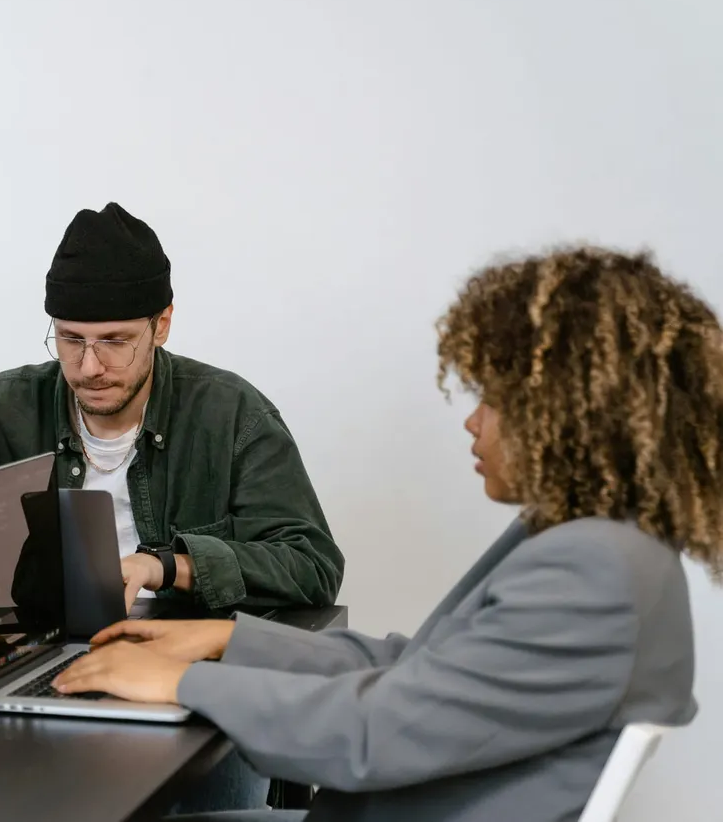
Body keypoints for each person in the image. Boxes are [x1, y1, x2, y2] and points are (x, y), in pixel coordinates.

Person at [53, 245, 716, 822]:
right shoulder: (597, 541)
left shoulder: (592, 570)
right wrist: (227, 638)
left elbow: (374, 731)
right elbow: (420, 671)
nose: (474, 422)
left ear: (570, 419)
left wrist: (182, 681)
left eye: (494, 400)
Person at [0, 202, 343, 615]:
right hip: (38, 655)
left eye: (114, 342)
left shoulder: (231, 415)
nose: (90, 367)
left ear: (161, 326)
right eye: (71, 340)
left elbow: (312, 566)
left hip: (176, 659)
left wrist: (168, 567)